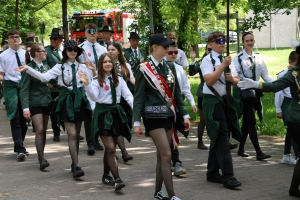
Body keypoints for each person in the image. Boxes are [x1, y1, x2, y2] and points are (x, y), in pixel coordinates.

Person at [15, 40, 92, 178]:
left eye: (75, 49)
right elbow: (44, 78)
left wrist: (91, 101)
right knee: (72, 134)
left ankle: (75, 163)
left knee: (77, 134)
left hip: (80, 101)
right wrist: (28, 68)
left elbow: (90, 85)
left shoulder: (83, 66)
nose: (72, 51)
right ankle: (75, 165)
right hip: (67, 101)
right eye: (70, 49)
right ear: (65, 52)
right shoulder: (60, 66)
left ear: (78, 51)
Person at [237, 43, 300, 198]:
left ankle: (293, 188)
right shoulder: (294, 74)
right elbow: (276, 86)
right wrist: (256, 84)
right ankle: (293, 188)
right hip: (297, 119)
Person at [134, 33, 191, 200]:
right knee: (167, 154)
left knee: (161, 155)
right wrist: (136, 121)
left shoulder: (170, 67)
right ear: (154, 47)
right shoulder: (143, 68)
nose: (168, 49)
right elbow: (138, 96)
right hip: (152, 116)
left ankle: (158, 193)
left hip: (168, 115)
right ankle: (172, 195)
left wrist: (185, 113)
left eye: (169, 46)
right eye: (165, 46)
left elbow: (177, 94)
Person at [79, 53, 133, 191]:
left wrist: (138, 115)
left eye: (110, 61)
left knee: (110, 149)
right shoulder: (97, 80)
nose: (108, 64)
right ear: (100, 65)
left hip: (115, 114)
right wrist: (86, 84)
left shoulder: (119, 79)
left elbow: (128, 96)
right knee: (110, 148)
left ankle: (105, 175)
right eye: (105, 62)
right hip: (102, 114)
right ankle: (117, 179)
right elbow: (94, 96)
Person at [200, 31, 242, 189]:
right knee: (223, 136)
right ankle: (228, 176)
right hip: (212, 101)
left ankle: (212, 172)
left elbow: (237, 81)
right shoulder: (207, 60)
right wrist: (222, 66)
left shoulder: (227, 60)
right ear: (210, 44)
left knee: (218, 135)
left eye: (224, 40)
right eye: (218, 40)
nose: (222, 43)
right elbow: (209, 81)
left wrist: (233, 79)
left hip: (226, 101)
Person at [233, 31, 274, 160]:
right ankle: (259, 152)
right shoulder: (238, 58)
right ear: (243, 42)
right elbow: (235, 77)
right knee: (251, 122)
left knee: (246, 122)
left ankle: (241, 149)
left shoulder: (258, 58)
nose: (249, 43)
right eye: (247, 41)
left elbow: (265, 76)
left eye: (251, 40)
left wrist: (277, 85)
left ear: (254, 41)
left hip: (254, 93)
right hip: (244, 94)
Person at [165, 44, 197, 176]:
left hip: (176, 107)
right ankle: (173, 161)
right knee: (167, 135)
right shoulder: (158, 69)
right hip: (163, 108)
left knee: (173, 133)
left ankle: (174, 161)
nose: (173, 54)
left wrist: (192, 102)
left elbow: (185, 89)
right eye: (170, 52)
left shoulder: (179, 69)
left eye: (175, 52)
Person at [20, 44, 51, 170]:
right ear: (37, 53)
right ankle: (41, 158)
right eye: (43, 51)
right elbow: (24, 89)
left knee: (43, 131)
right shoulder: (28, 68)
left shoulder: (46, 66)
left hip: (46, 102)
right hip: (34, 103)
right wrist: (25, 108)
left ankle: (42, 155)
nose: (45, 53)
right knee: (39, 130)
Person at [0, 29, 29, 160]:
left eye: (17, 36)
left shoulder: (26, 54)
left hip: (24, 85)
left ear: (20, 39)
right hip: (11, 85)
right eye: (12, 37)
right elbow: (1, 74)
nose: (15, 39)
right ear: (8, 40)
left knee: (24, 117)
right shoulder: (3, 56)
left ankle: (19, 145)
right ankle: (19, 147)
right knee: (14, 116)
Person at [79, 23, 107, 153]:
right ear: (85, 33)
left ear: (97, 33)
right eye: (89, 31)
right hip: (86, 83)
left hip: (99, 83)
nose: (92, 33)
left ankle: (97, 140)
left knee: (98, 113)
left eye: (94, 31)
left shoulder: (102, 49)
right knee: (89, 114)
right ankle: (91, 142)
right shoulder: (81, 49)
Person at [107, 42, 134, 162]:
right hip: (111, 100)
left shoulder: (125, 65)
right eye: (109, 49)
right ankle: (123, 152)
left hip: (125, 99)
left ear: (118, 51)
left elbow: (131, 78)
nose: (110, 51)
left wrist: (142, 86)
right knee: (115, 126)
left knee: (125, 124)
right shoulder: (105, 64)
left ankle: (114, 150)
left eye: (113, 49)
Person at [275, 51, 299, 165]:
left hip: (295, 103)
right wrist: (278, 109)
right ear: (290, 62)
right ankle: (297, 155)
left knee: (291, 130)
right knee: (293, 129)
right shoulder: (285, 74)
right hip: (287, 103)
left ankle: (286, 154)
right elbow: (278, 92)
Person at [189, 44, 212, 150]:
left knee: (217, 118)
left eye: (212, 49)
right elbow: (192, 72)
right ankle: (200, 142)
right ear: (206, 50)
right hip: (203, 93)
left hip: (218, 94)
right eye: (209, 49)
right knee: (203, 119)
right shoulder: (202, 62)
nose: (210, 51)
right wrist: (193, 59)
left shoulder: (220, 60)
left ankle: (218, 141)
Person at [45, 28, 64, 142]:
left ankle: (69, 129)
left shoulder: (66, 50)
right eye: (51, 38)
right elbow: (45, 66)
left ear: (61, 39)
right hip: (53, 86)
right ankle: (56, 131)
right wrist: (49, 81)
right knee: (54, 111)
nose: (53, 40)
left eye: (55, 38)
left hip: (66, 85)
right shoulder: (47, 51)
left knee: (66, 108)